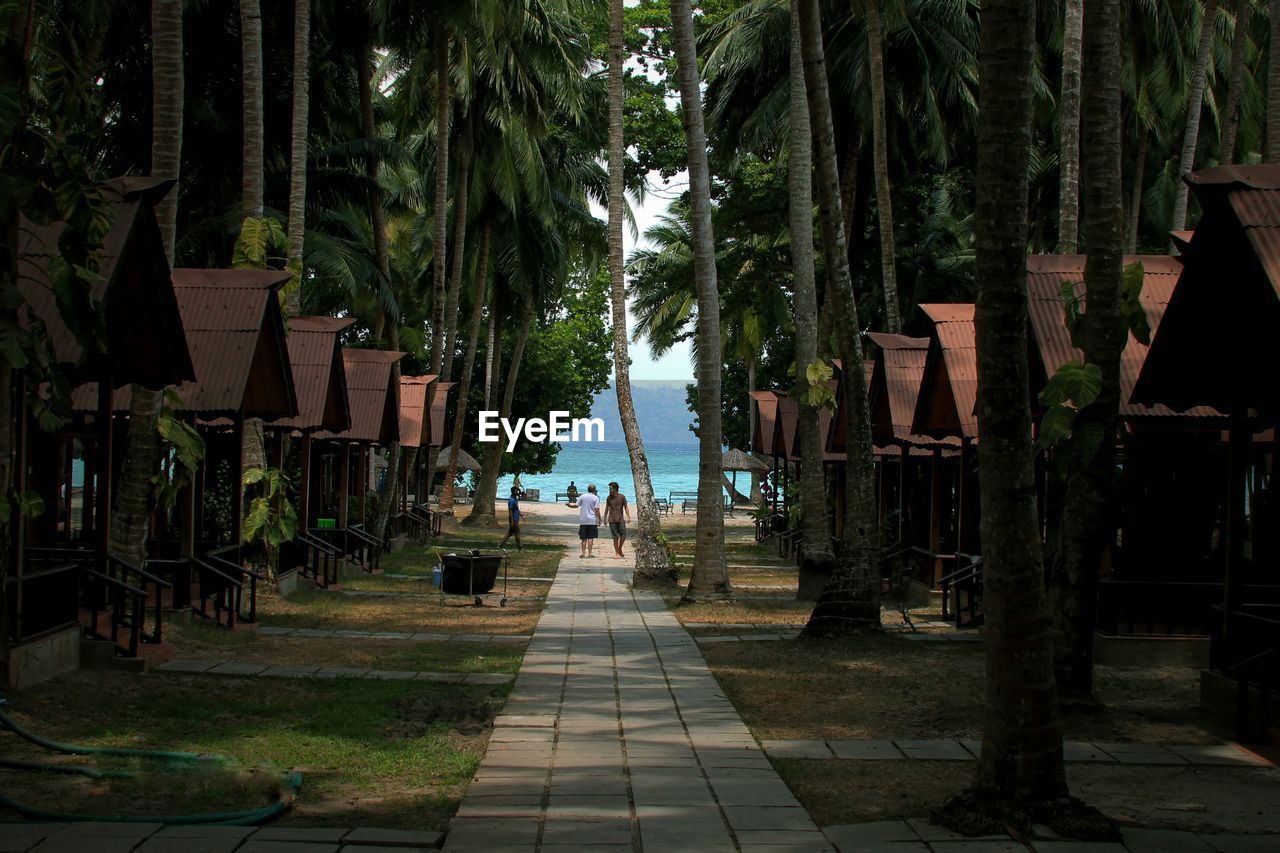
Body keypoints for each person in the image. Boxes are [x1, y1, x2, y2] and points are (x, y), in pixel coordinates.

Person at [605, 481, 631, 559]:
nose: (609, 490)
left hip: (620, 520)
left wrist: (629, 516)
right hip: (612, 520)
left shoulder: (622, 497)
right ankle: (616, 553)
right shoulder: (608, 498)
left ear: (615, 489)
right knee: (615, 537)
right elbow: (607, 508)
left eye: (611, 488)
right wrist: (604, 518)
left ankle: (619, 548)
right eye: (609, 488)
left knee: (624, 535)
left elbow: (626, 507)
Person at [577, 483, 601, 558]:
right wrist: (599, 519)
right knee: (590, 537)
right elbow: (597, 510)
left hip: (583, 519)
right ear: (594, 490)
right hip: (592, 520)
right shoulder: (595, 498)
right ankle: (590, 553)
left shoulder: (582, 496)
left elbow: (577, 505)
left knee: (583, 538)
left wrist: (569, 505)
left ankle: (583, 553)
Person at [500, 486, 522, 551]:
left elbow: (516, 509)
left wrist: (520, 514)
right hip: (514, 519)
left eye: (518, 491)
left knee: (510, 533)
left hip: (516, 518)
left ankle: (500, 544)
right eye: (516, 491)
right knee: (517, 532)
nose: (517, 492)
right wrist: (511, 520)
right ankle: (520, 546)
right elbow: (510, 511)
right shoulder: (512, 500)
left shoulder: (515, 499)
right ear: (513, 492)